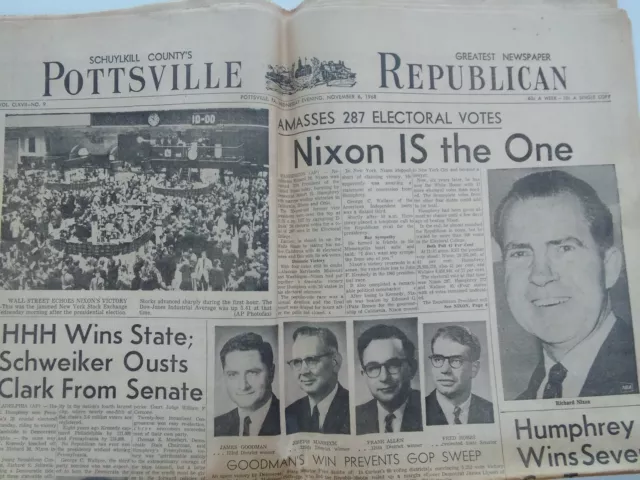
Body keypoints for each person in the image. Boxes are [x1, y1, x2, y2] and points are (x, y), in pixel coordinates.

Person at [494, 170, 638, 399]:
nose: (541, 275)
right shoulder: (524, 401)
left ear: (609, 267)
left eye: (564, 248)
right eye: (520, 253)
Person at [355, 324, 422, 435]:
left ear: (412, 369)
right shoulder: (355, 416)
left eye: (393, 365)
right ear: (364, 375)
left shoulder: (428, 409)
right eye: (373, 368)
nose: (384, 377)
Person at [285, 326, 350, 434]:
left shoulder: (353, 408)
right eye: (297, 362)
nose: (303, 371)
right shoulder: (289, 413)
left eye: (311, 360)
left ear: (335, 362)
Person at [214, 333, 280, 437]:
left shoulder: (291, 420)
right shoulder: (216, 426)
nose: (243, 386)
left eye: (252, 373)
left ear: (271, 373)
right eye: (233, 374)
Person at [425, 326, 494, 425]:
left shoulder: (491, 412)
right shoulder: (419, 410)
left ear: (474, 368)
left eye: (456, 360)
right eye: (438, 359)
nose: (445, 370)